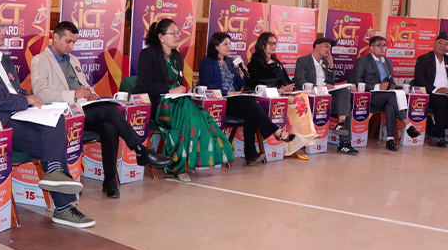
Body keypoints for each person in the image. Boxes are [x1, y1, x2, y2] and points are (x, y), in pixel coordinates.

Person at [0, 11, 96, 223]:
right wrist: (26, 100)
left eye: (2, 27)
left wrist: (31, 100)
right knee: (52, 145)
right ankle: (63, 205)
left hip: (19, 115)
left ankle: (55, 178)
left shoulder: (5, 60)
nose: (3, 32)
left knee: (56, 116)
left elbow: (14, 91)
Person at [30, 21, 173, 198]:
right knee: (111, 110)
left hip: (83, 109)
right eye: (68, 41)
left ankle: (110, 181)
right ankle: (141, 151)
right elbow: (41, 93)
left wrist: (93, 95)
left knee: (109, 125)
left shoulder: (73, 59)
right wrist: (74, 94)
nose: (72, 46)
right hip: (63, 114)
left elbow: (84, 85)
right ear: (56, 37)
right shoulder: (40, 60)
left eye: (74, 42)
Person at [134, 18, 233, 181]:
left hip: (178, 102)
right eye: (173, 33)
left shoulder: (178, 57)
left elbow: (179, 83)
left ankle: (181, 163)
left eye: (178, 33)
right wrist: (169, 90)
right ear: (161, 37)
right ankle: (178, 166)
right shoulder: (148, 54)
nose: (177, 36)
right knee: (188, 113)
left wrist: (183, 92)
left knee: (197, 114)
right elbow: (143, 85)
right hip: (157, 104)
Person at [199, 32, 295, 166]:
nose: (229, 47)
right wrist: (227, 92)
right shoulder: (207, 62)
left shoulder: (229, 62)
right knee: (250, 104)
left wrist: (240, 75)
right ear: (216, 46)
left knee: (251, 111)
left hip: (234, 99)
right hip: (220, 102)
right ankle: (276, 131)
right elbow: (206, 85)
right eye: (225, 44)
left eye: (230, 44)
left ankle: (250, 155)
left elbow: (237, 86)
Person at [244, 32, 319, 159]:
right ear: (262, 45)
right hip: (264, 98)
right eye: (270, 43)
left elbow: (286, 81)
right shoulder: (254, 63)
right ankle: (294, 144)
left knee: (301, 96)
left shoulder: (277, 63)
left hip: (280, 95)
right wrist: (279, 90)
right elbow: (253, 86)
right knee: (295, 103)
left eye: (275, 43)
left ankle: (301, 140)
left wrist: (288, 88)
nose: (273, 46)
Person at [353, 36, 421, 151]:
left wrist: (391, 88)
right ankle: (408, 125)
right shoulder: (363, 61)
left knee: (392, 103)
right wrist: (377, 87)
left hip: (387, 95)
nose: (382, 48)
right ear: (371, 48)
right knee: (393, 97)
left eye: (384, 45)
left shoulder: (388, 61)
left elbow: (392, 82)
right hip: (371, 94)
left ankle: (390, 139)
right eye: (379, 45)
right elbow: (358, 82)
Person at [292, 37, 358, 155]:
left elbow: (330, 82)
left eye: (330, 47)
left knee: (345, 93)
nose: (329, 49)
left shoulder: (325, 62)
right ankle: (344, 142)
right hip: (311, 99)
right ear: (317, 46)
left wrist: (331, 66)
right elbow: (301, 82)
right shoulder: (303, 61)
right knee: (345, 106)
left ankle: (341, 125)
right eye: (326, 46)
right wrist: (321, 88)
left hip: (325, 99)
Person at [413, 32, 448, 147]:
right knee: (441, 104)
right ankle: (441, 137)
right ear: (434, 45)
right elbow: (419, 79)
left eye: (445, 44)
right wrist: (435, 90)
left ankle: (435, 130)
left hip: (447, 94)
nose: (442, 46)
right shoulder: (424, 59)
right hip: (430, 93)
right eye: (440, 43)